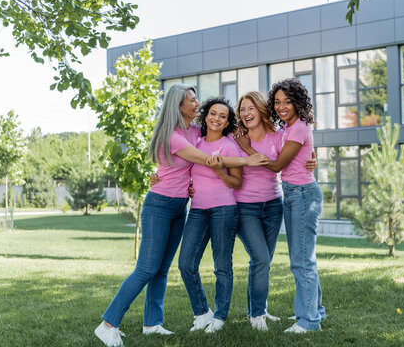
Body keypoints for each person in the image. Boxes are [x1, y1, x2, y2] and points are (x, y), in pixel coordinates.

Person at [94, 85, 266, 347]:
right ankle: (108, 324)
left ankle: (152, 324)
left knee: (162, 270)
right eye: (192, 100)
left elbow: (218, 136)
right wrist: (246, 161)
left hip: (180, 205)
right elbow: (208, 158)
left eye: (197, 98)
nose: (197, 103)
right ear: (179, 105)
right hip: (160, 205)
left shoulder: (193, 130)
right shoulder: (174, 136)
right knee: (146, 268)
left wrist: (245, 134)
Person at [239, 79, 325, 333]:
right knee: (304, 258)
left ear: (298, 102)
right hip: (294, 193)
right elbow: (298, 157)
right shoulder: (290, 128)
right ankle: (315, 311)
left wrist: (247, 148)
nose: (281, 106)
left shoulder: (297, 129)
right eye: (277, 102)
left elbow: (276, 166)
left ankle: (309, 321)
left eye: (287, 101)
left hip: (301, 194)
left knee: (301, 261)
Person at [178, 97, 242, 333]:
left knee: (222, 266)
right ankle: (203, 312)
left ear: (227, 123)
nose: (216, 118)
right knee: (185, 263)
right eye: (213, 113)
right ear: (206, 115)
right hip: (197, 210)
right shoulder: (195, 141)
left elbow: (236, 182)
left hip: (224, 210)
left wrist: (219, 172)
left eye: (222, 116)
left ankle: (220, 316)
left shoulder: (228, 146)